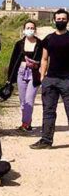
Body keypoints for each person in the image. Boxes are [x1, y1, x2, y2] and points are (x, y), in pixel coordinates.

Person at [31, 9, 69, 149]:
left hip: (67, 80)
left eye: (63, 19)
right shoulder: (49, 39)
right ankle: (46, 140)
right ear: (54, 20)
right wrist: (42, 77)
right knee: (48, 111)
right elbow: (44, 59)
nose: (60, 21)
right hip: (51, 79)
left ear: (67, 20)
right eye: (58, 19)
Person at [6, 20, 43, 132]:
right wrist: (9, 79)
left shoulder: (40, 44)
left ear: (35, 30)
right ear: (24, 30)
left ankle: (26, 124)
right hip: (21, 72)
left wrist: (39, 67)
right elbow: (13, 61)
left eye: (32, 28)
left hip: (34, 73)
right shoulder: (19, 44)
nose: (30, 30)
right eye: (28, 28)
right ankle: (25, 122)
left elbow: (44, 59)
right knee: (22, 100)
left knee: (29, 99)